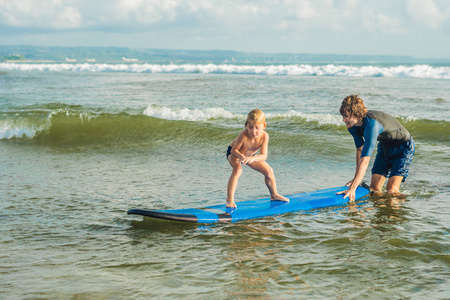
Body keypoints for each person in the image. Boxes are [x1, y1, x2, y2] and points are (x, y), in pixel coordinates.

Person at [337, 95, 415, 201]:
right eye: (343, 116)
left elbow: (365, 160)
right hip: (384, 147)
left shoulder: (372, 125)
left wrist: (353, 188)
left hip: (403, 147)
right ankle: (381, 213)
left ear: (357, 114)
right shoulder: (352, 126)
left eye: (346, 116)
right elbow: (360, 150)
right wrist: (356, 180)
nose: (343, 120)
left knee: (391, 190)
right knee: (374, 189)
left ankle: (399, 211)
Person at [226, 109, 289, 208]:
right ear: (246, 125)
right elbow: (234, 150)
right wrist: (242, 157)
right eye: (250, 127)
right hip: (235, 154)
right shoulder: (243, 135)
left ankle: (274, 195)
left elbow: (264, 155)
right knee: (238, 170)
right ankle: (229, 200)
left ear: (264, 126)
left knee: (268, 171)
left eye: (257, 127)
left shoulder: (264, 136)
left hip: (250, 156)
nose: (253, 131)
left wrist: (252, 158)